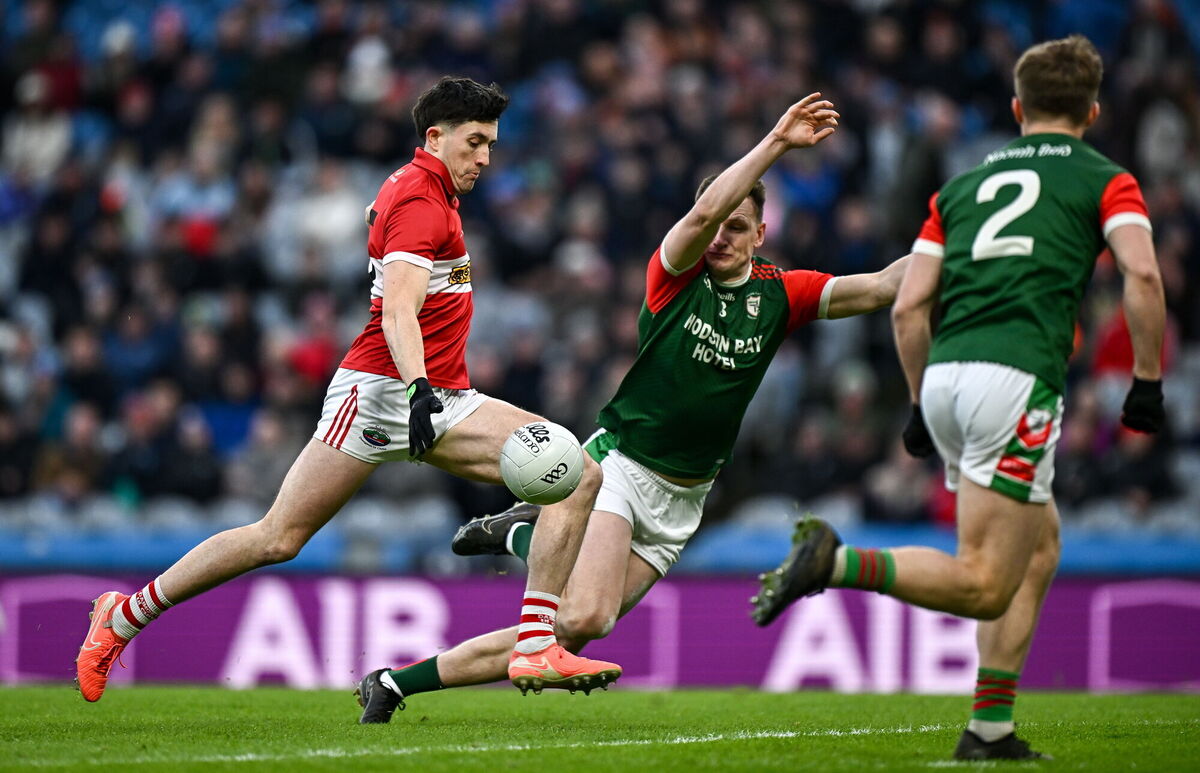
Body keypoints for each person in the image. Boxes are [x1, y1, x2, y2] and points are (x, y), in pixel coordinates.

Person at [356, 92, 910, 723]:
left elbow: (887, 286)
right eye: (719, 221)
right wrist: (777, 143)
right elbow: (703, 213)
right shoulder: (675, 274)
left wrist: (959, 243)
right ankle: (526, 531)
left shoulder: (783, 294)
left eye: (739, 226)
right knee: (589, 612)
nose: (722, 235)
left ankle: (395, 682)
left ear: (762, 232)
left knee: (569, 634)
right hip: (621, 464)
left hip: (686, 496)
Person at [75, 76, 621, 706]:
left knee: (577, 474)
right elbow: (398, 311)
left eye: (492, 145)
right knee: (277, 537)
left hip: (439, 395)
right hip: (383, 395)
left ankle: (533, 645)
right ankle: (123, 616)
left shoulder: (420, 188)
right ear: (435, 137)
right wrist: (417, 390)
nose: (485, 159)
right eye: (475, 143)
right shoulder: (420, 200)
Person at [750, 36, 1165, 761]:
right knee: (984, 582)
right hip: (1016, 380)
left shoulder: (961, 189)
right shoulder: (1108, 179)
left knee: (1040, 549)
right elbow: (1144, 277)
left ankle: (989, 728)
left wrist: (916, 405)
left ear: (1016, 108)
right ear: (1093, 112)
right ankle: (838, 563)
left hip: (946, 375)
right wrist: (1149, 381)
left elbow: (909, 308)